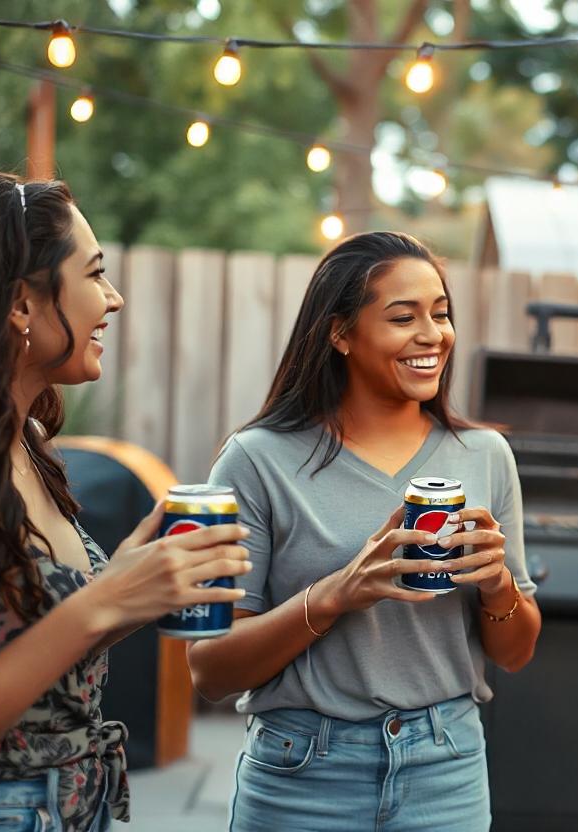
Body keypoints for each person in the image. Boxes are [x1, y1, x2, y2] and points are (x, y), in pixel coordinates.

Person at [186, 231, 541, 832]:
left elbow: (516, 652)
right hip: (301, 776)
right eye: (403, 317)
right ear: (340, 332)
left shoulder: (483, 455)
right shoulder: (257, 460)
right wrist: (338, 593)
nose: (432, 335)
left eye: (441, 313)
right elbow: (211, 670)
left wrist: (497, 585)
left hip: (445, 771)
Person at [0, 172, 251, 831]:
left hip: (73, 805)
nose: (115, 297)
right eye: (95, 274)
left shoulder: (31, 441)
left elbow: (46, 643)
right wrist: (103, 600)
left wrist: (138, 583)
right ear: (22, 303)